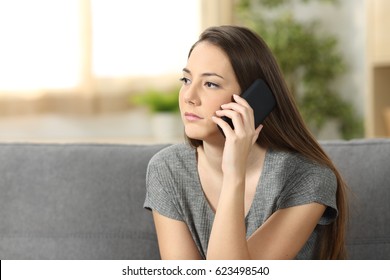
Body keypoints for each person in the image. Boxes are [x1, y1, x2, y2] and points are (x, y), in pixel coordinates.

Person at [144, 25, 348, 260]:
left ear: (253, 99)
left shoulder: (308, 177)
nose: (189, 97)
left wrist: (233, 173)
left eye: (210, 84)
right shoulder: (167, 168)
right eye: (186, 79)